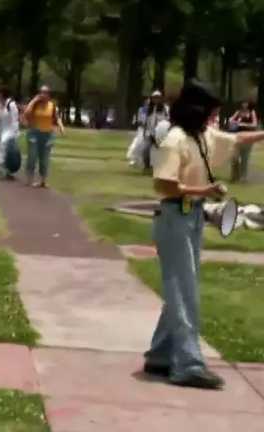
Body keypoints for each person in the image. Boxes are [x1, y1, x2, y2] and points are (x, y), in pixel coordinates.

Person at [145, 79, 264, 390]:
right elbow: (164, 185)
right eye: (211, 112)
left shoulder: (202, 135)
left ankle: (160, 355)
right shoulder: (175, 139)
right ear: (196, 110)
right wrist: (206, 190)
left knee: (182, 288)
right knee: (185, 291)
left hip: (192, 215)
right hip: (174, 216)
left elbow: (237, 140)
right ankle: (188, 364)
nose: (215, 118)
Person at [22, 85, 64, 188]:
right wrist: (34, 100)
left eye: (45, 92)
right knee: (32, 156)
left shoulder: (52, 106)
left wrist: (61, 127)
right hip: (34, 134)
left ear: (49, 95)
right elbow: (26, 113)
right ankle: (29, 179)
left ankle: (43, 181)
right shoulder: (35, 105)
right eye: (41, 92)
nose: (43, 94)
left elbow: (56, 118)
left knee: (44, 159)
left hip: (48, 135)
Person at [0, 86, 21, 180]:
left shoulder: (11, 104)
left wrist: (15, 133)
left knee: (1, 149)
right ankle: (7, 172)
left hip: (10, 131)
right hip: (0, 130)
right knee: (3, 152)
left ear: (3, 94)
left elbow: (15, 120)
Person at [228, 101, 259, 182]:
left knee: (245, 158)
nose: (244, 104)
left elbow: (254, 124)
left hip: (248, 137)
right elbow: (231, 119)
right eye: (243, 103)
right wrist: (232, 121)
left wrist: (242, 124)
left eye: (246, 103)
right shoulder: (238, 112)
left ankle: (243, 177)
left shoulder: (252, 112)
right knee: (234, 157)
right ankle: (234, 176)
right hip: (237, 137)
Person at [142, 90, 170, 171]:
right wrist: (144, 132)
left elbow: (168, 120)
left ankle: (163, 167)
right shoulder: (148, 109)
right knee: (146, 149)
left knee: (163, 151)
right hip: (150, 132)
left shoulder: (165, 108)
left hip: (161, 133)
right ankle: (147, 167)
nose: (156, 100)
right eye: (154, 98)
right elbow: (145, 121)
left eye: (158, 98)